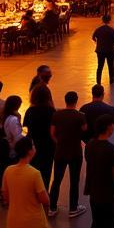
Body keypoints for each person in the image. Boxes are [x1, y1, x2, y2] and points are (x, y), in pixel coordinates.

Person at [49, 91, 87, 219]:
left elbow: (52, 132)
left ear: (65, 100)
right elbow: (85, 129)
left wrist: (58, 142)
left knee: (57, 180)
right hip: (75, 152)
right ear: (76, 101)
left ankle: (52, 207)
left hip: (60, 151)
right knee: (74, 180)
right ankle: (73, 208)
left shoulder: (56, 115)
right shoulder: (80, 116)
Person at [23, 83, 56, 190]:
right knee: (46, 172)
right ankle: (44, 195)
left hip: (33, 145)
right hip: (48, 145)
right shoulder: (51, 111)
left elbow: (26, 127)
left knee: (33, 171)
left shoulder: (30, 111)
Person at [92, 14, 114, 85]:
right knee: (110, 65)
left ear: (102, 20)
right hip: (110, 50)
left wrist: (98, 42)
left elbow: (93, 37)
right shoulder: (111, 30)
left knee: (100, 66)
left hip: (100, 50)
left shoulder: (98, 29)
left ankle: (98, 81)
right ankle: (111, 78)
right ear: (109, 20)